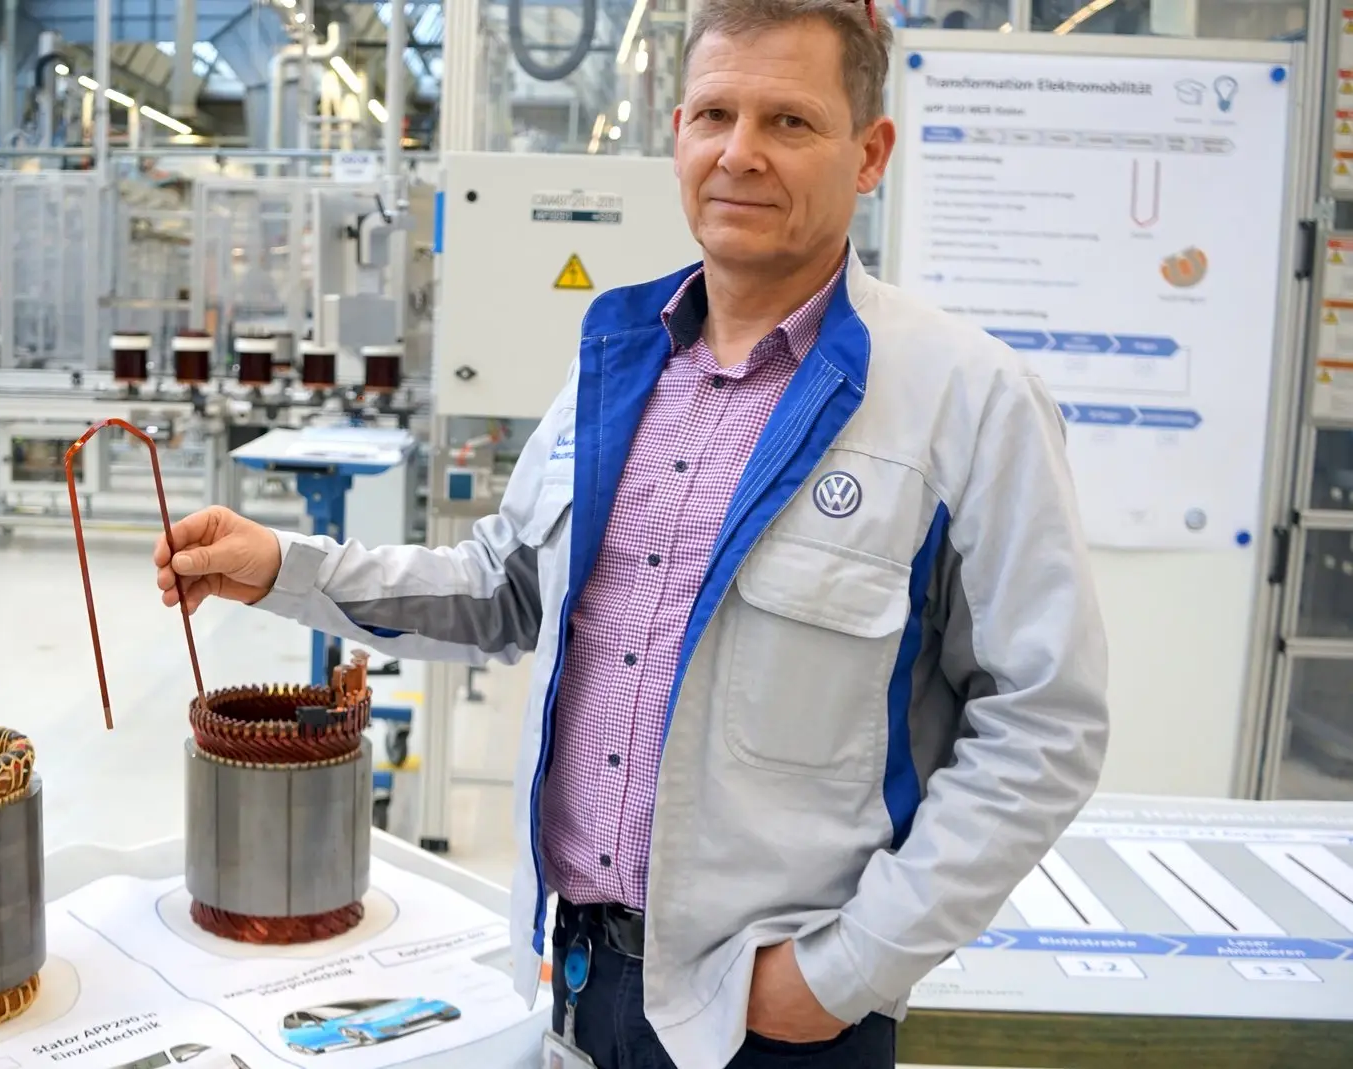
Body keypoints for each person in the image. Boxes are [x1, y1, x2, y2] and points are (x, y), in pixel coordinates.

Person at [153, 0, 1109, 1064]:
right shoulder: (618, 360)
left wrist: (850, 969)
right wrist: (283, 565)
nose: (739, 154)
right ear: (677, 136)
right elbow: (504, 588)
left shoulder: (964, 398)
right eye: (714, 115)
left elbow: (1043, 721)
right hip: (573, 974)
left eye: (788, 123)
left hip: (772, 1015)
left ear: (869, 151)